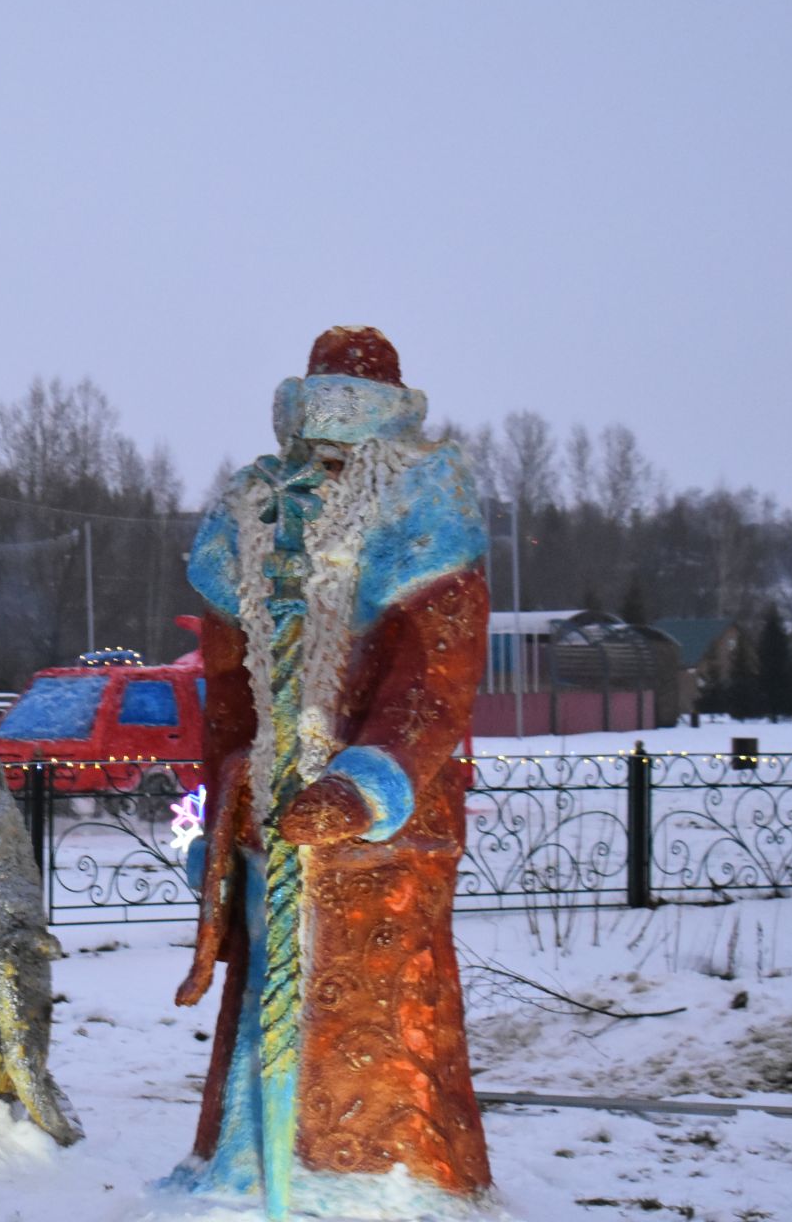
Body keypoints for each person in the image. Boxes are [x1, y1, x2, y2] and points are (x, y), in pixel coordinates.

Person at [169, 327, 493, 1212]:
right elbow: (229, 696)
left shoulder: (426, 521)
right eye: (316, 421)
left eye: (350, 424)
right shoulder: (253, 518)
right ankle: (252, 1170)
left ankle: (382, 1185)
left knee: (377, 1006)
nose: (329, 447)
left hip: (385, 832)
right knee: (270, 991)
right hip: (268, 816)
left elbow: (436, 677)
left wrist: (363, 786)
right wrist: (217, 814)